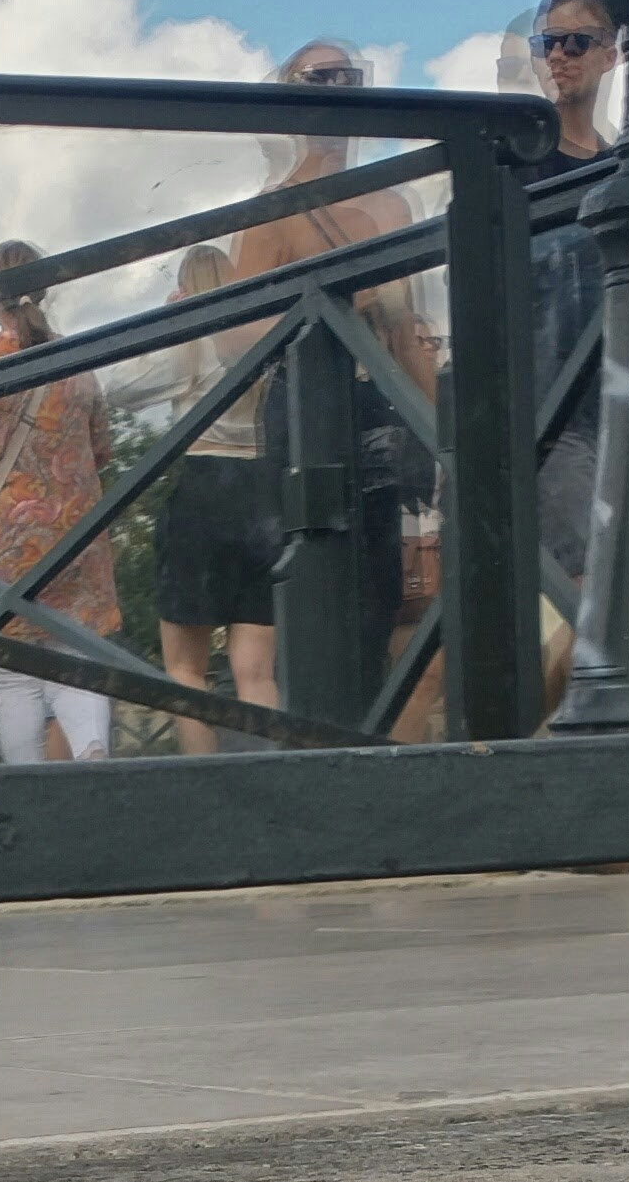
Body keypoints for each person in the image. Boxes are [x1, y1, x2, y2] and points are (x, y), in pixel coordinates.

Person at [231, 41, 445, 729]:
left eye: (346, 77)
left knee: (385, 600)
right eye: (317, 78)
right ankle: (324, 752)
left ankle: (368, 748)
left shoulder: (391, 205)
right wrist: (344, 305)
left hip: (381, 414)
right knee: (316, 595)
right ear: (290, 96)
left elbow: (410, 325)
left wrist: (445, 438)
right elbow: (240, 339)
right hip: (307, 418)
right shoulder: (271, 212)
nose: (334, 90)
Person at [0, 243, 125, 765]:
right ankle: (90, 748)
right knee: (76, 656)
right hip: (79, 537)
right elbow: (102, 447)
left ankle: (27, 786)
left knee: (14, 674)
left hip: (9, 544)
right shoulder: (78, 359)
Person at [152, 240, 278, 746]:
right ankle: (272, 779)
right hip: (261, 494)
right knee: (257, 672)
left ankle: (204, 783)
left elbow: (120, 386)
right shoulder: (257, 338)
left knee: (184, 669)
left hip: (203, 491)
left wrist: (169, 326)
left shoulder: (190, 345)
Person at [523, 0, 618, 610]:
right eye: (548, 42)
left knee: (602, 599)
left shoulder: (620, 167)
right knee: (590, 599)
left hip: (611, 408)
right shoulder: (519, 159)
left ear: (611, 53)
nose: (559, 55)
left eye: (576, 42)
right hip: (547, 414)